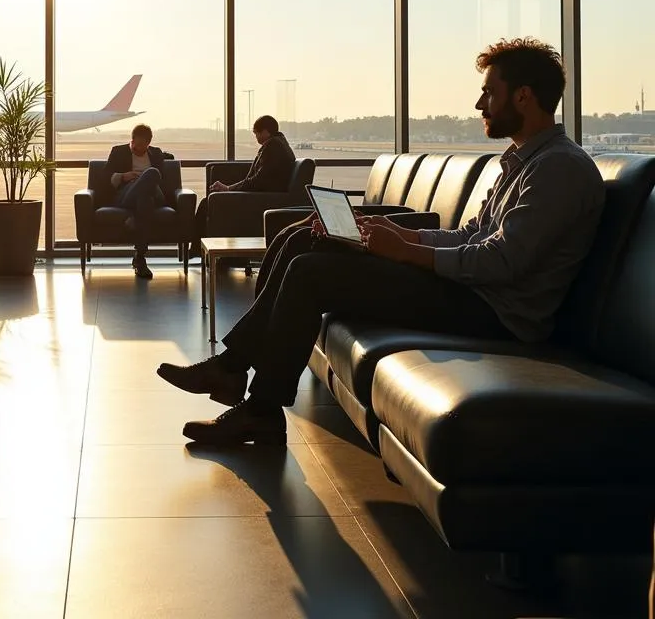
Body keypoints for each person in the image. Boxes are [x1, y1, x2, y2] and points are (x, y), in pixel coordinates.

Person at [157, 38, 606, 446]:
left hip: (494, 312)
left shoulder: (558, 169)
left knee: (310, 274)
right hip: (473, 291)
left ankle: (260, 408)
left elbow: (503, 262)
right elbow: (471, 236)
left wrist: (407, 251)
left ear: (523, 96)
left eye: (489, 92)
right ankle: (234, 366)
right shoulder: (523, 162)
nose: (479, 103)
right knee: (300, 238)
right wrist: (397, 235)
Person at [189, 114, 295, 258]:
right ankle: (198, 249)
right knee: (208, 202)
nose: (256, 137)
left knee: (207, 203)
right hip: (263, 195)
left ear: (265, 132)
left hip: (259, 199)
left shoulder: (273, 147)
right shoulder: (279, 144)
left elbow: (257, 180)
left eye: (256, 133)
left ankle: (197, 249)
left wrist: (228, 189)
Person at [102, 123, 167, 280]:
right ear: (132, 140)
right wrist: (123, 176)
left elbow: (161, 178)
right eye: (135, 144)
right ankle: (140, 257)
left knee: (150, 177)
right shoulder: (118, 151)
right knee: (145, 199)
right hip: (126, 193)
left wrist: (144, 180)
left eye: (141, 146)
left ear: (148, 143)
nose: (137, 148)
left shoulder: (156, 154)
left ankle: (139, 255)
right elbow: (105, 177)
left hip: (153, 192)